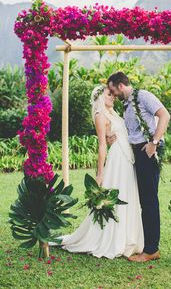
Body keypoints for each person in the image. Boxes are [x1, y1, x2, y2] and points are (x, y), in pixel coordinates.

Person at [50, 85, 144, 259]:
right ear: (100, 98)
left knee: (129, 196)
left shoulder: (113, 113)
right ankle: (113, 238)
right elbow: (102, 145)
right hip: (117, 160)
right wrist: (100, 174)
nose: (113, 96)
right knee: (117, 196)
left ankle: (127, 239)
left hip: (127, 158)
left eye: (112, 94)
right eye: (109, 94)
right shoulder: (100, 116)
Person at [107, 72, 170, 263]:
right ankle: (149, 245)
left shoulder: (143, 96)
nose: (112, 94)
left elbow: (164, 114)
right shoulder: (127, 105)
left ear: (120, 85)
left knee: (149, 199)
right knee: (145, 198)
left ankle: (151, 250)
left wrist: (154, 142)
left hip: (148, 149)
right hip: (138, 150)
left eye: (112, 90)